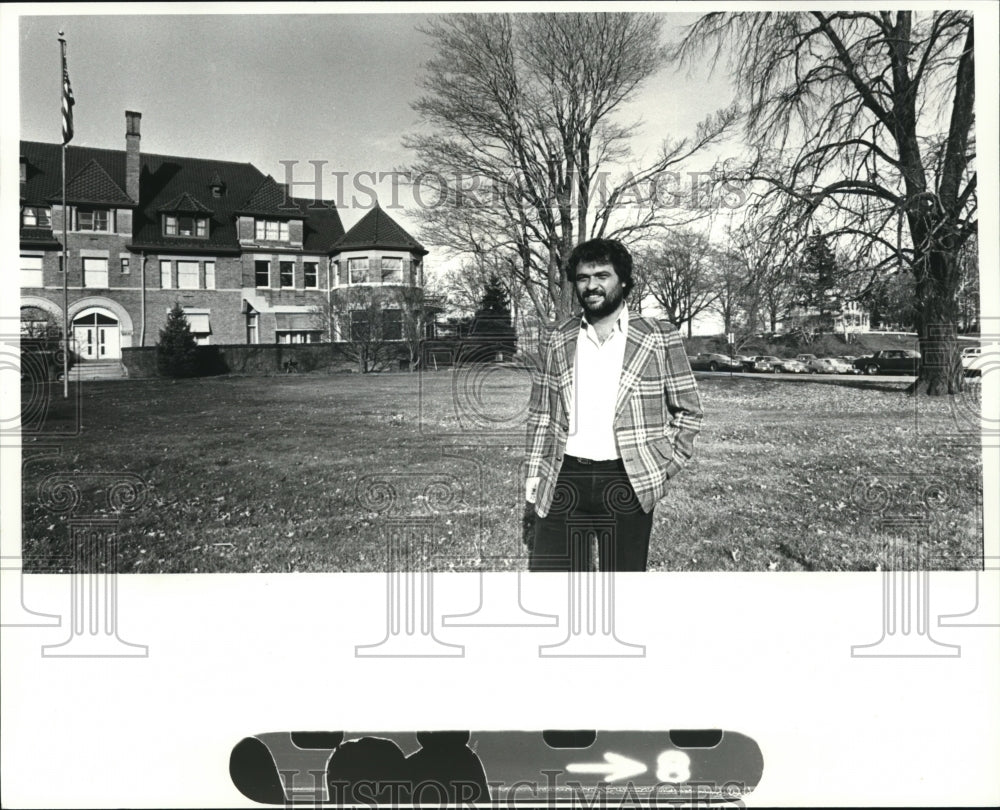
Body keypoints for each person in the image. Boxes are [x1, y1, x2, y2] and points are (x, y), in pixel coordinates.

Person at [525, 238, 703, 572]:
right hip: (565, 477)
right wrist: (535, 469)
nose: (591, 286)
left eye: (602, 275)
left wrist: (666, 467)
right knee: (555, 585)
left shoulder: (659, 335)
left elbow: (689, 410)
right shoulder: (558, 337)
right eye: (582, 278)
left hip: (627, 478)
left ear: (622, 280)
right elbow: (541, 412)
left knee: (622, 585)